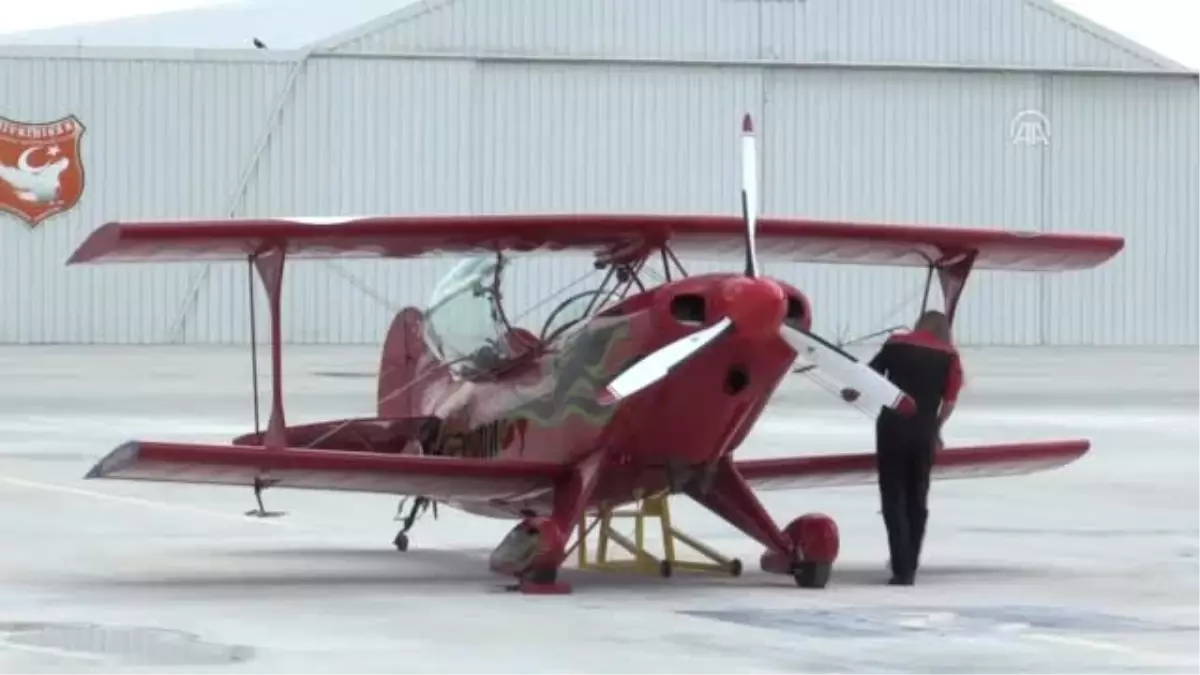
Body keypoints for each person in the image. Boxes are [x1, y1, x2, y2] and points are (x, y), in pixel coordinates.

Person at [842, 310, 963, 586]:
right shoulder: (950, 356)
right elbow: (950, 401)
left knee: (892, 495)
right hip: (923, 431)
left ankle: (901, 567)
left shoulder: (897, 343)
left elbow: (871, 375)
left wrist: (854, 391)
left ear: (920, 323)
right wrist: (936, 427)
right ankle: (912, 562)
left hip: (892, 427)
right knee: (917, 497)